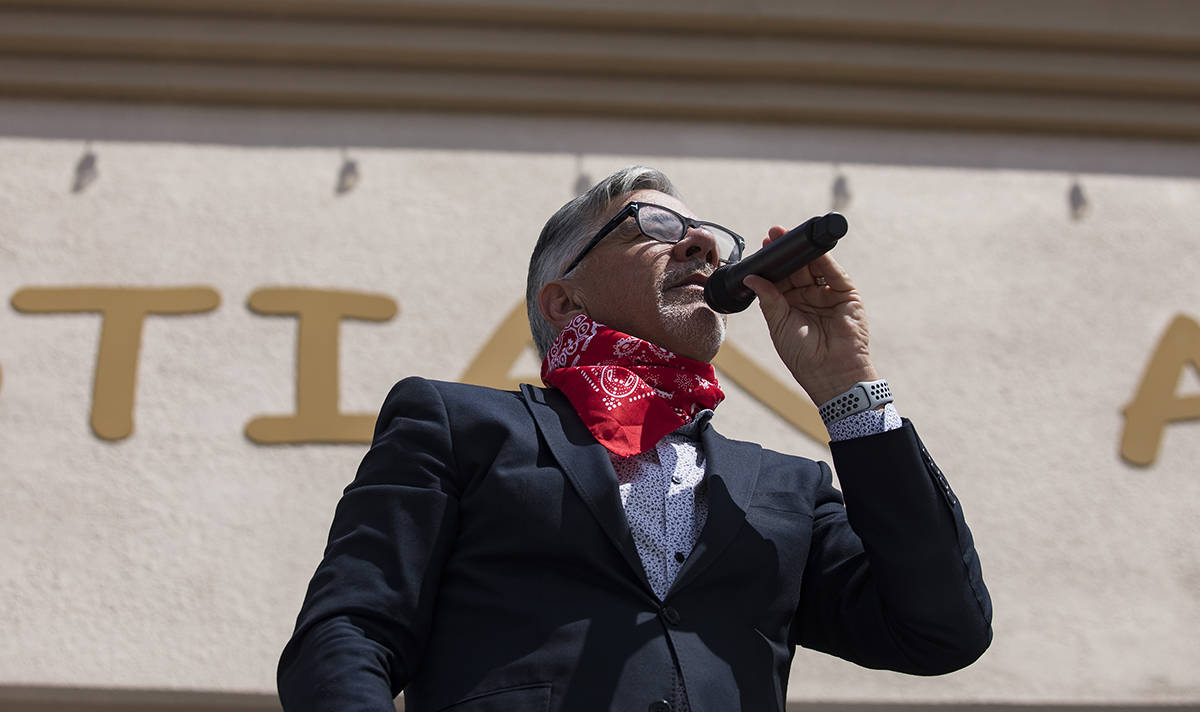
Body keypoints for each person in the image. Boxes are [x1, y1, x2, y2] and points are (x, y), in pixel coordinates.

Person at [277, 166, 992, 712]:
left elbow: (941, 630)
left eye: (710, 236)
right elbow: (350, 634)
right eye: (653, 225)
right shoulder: (459, 426)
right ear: (565, 299)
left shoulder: (788, 491)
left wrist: (847, 389)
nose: (704, 245)